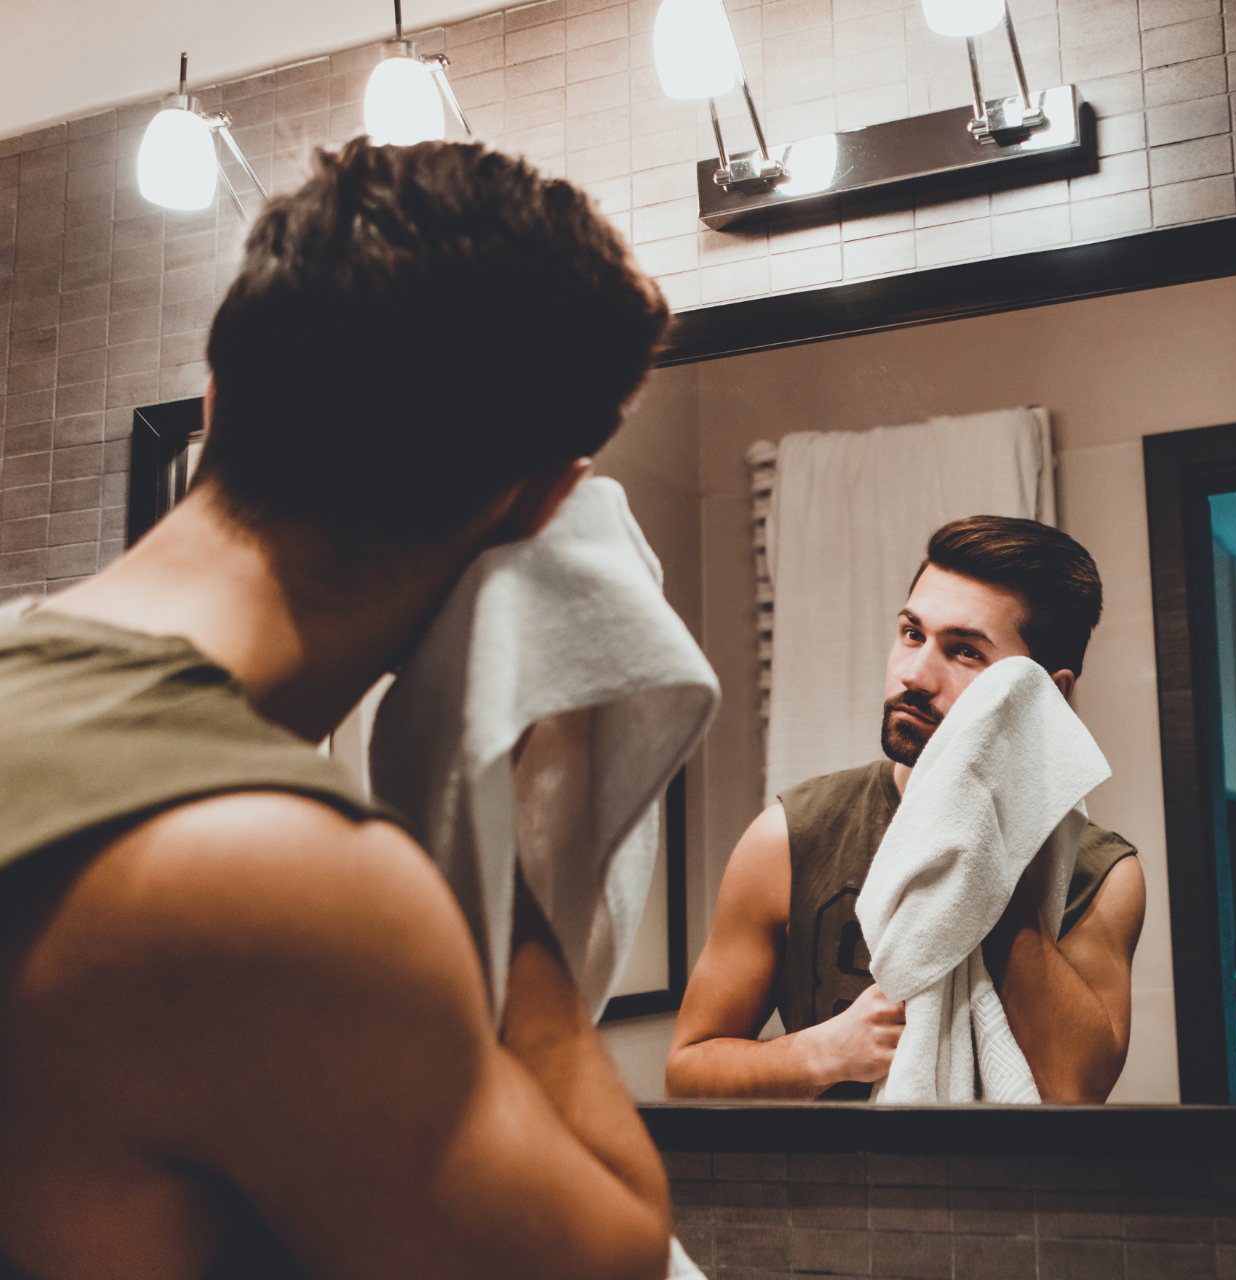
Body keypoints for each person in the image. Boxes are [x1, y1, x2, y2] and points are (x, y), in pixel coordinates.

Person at [0, 140, 678, 1279]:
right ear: (544, 503)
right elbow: (610, 1257)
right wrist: (496, 839)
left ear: (216, 397)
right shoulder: (275, 876)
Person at [666, 516, 1147, 1103]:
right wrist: (821, 1053)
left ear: (1047, 694)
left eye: (965, 651)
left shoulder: (1103, 874)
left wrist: (994, 871)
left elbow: (1075, 1092)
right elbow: (687, 1070)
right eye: (912, 633)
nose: (914, 674)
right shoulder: (793, 837)